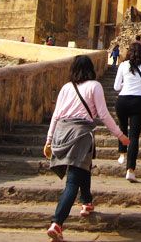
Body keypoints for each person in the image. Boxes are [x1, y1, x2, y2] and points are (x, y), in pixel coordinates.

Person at [43, 55, 129, 242]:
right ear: (91, 69)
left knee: (84, 168)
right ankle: (57, 223)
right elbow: (103, 114)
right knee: (73, 180)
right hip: (80, 135)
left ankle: (86, 201)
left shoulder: (66, 87)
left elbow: (56, 115)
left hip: (61, 133)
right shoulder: (94, 86)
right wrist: (120, 135)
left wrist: (49, 140)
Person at [114, 42, 141, 182]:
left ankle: (122, 153)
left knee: (122, 129)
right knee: (134, 137)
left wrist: (127, 84)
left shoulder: (123, 65)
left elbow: (116, 86)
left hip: (123, 100)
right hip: (138, 102)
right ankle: (130, 170)